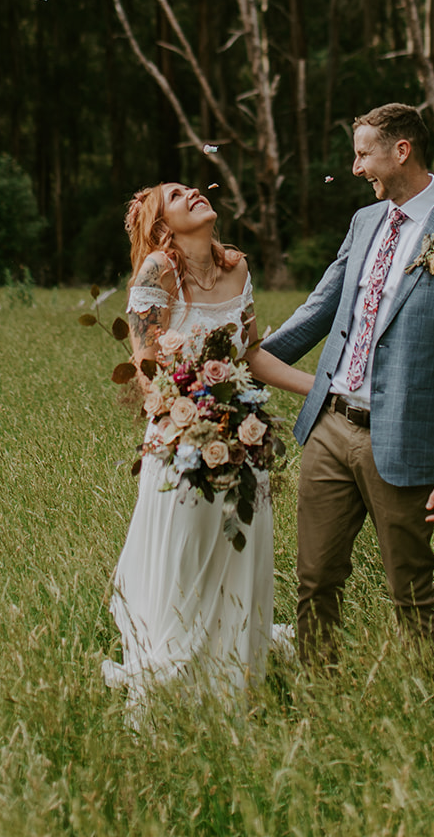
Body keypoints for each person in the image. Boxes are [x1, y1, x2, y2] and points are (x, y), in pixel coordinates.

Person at [261, 103, 434, 663]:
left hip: (404, 441)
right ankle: (321, 701)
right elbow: (320, 309)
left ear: (401, 151)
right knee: (315, 580)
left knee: (410, 593)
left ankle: (423, 718)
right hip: (328, 429)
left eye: (362, 154)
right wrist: (228, 365)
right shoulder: (364, 222)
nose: (354, 168)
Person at [102, 181, 314, 707]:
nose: (193, 190)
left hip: (242, 438)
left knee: (241, 553)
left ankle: (233, 686)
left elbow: (252, 356)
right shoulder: (158, 271)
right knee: (185, 557)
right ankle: (172, 686)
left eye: (192, 186)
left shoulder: (237, 269)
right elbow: (146, 367)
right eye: (177, 195)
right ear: (161, 226)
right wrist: (191, 420)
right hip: (181, 442)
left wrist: (325, 388)